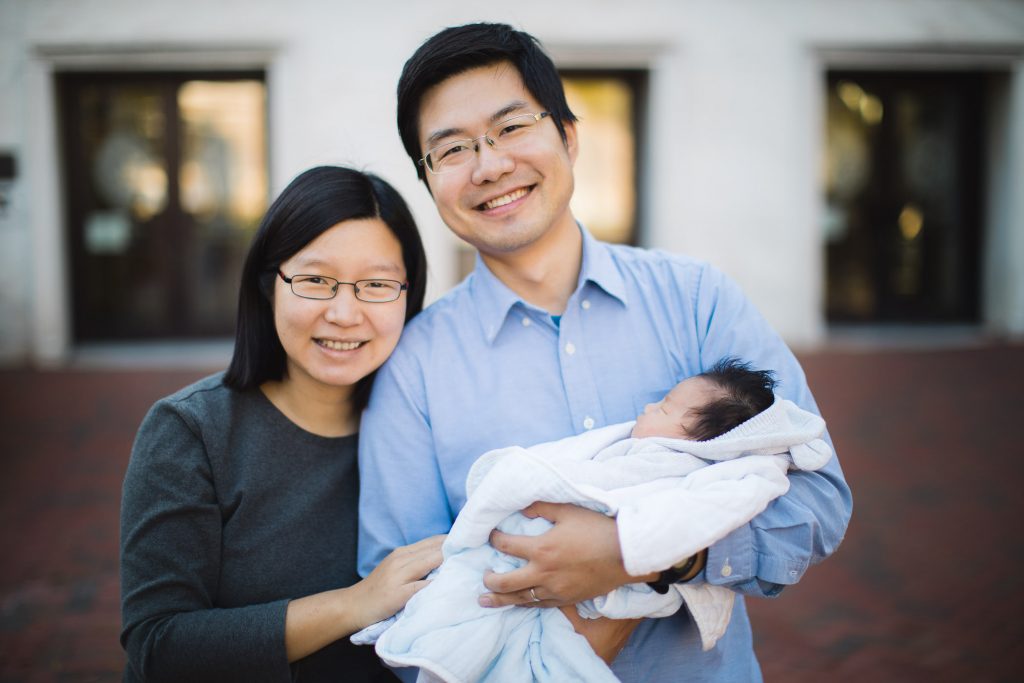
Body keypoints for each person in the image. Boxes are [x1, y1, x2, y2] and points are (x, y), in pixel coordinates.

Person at [358, 22, 852, 682]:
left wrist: (646, 553)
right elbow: (406, 603)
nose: (489, 165)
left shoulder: (696, 297)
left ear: (568, 134)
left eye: (511, 128)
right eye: (451, 150)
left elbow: (817, 500)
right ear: (428, 180)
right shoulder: (413, 366)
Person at [119, 166, 444, 683]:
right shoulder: (191, 431)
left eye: (377, 284)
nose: (344, 313)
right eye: (316, 280)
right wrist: (358, 602)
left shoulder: (426, 427)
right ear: (269, 285)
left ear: (409, 294)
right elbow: (158, 644)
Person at [358, 358, 834, 681]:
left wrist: (631, 554)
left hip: (622, 598)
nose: (648, 409)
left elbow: (712, 510)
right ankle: (431, 633)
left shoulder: (702, 470)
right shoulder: (418, 358)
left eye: (666, 408)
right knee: (475, 603)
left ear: (705, 442)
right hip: (517, 562)